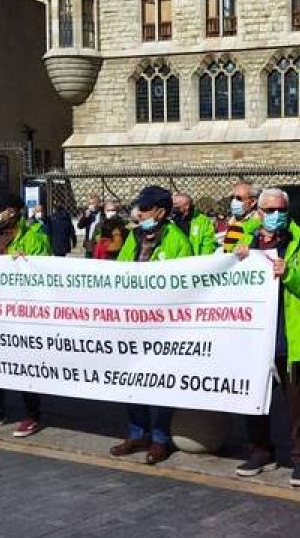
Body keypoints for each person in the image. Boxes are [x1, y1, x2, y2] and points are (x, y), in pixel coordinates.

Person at [234, 187, 300, 488]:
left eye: (281, 211)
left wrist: (290, 273)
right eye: (269, 210)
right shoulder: (243, 242)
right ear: (258, 212)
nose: (275, 216)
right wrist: (237, 261)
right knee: (253, 400)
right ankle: (261, 451)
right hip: (252, 336)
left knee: (296, 403)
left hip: (289, 334)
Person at [110, 185, 192, 465]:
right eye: (139, 209)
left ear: (160, 211)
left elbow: (184, 282)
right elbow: (121, 269)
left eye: (145, 209)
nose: (139, 213)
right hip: (133, 321)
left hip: (162, 324)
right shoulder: (134, 237)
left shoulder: (178, 240)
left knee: (159, 381)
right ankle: (136, 432)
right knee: (131, 378)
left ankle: (160, 438)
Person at [0, 191, 52, 437]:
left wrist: (24, 263)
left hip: (21, 312)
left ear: (12, 211)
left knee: (25, 365)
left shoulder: (33, 236)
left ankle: (32, 415)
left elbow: (43, 268)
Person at [221, 182, 260, 252]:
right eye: (232, 198)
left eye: (238, 198)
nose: (233, 201)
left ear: (252, 202)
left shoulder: (258, 226)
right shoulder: (231, 222)